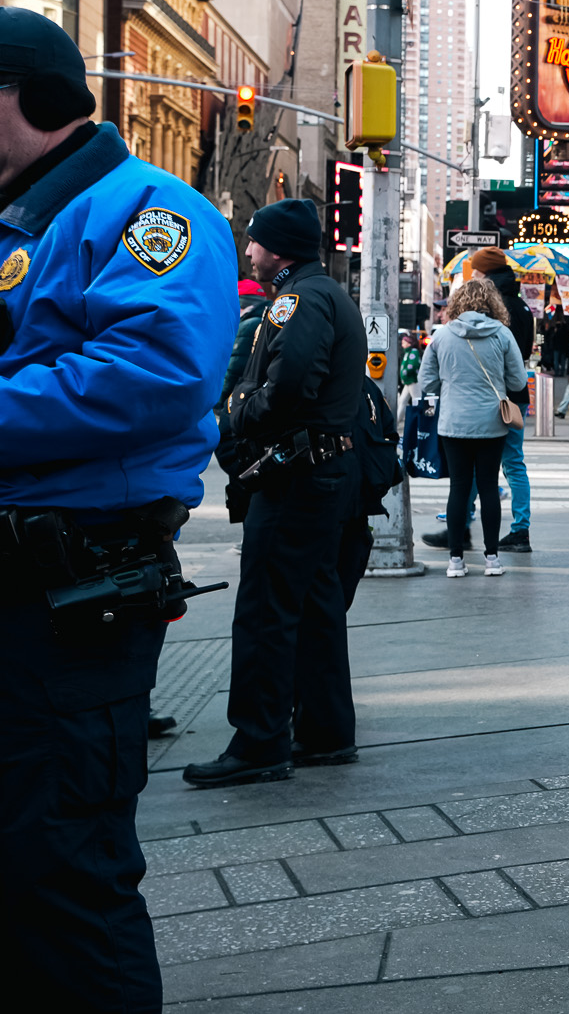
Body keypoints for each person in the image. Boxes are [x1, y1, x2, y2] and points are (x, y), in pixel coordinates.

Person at [0, 7, 238, 1009]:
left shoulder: (151, 213)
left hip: (64, 592)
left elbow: (154, 371)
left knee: (62, 871)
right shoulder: (22, 217)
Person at [189, 195, 369, 791]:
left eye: (255, 242)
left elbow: (287, 387)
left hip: (296, 477)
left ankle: (260, 741)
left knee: (267, 609)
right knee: (316, 607)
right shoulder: (323, 294)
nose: (249, 251)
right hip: (321, 477)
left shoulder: (298, 301)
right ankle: (324, 732)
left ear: (279, 248)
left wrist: (238, 411)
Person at [415, 278, 528, 577]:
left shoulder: (441, 337)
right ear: (492, 303)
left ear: (458, 303)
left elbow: (427, 382)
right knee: (489, 486)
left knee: (459, 489)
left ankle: (455, 561)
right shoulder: (502, 334)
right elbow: (518, 382)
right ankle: (492, 559)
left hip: (453, 424)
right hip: (492, 422)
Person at [444, 246, 534, 555]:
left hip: (491, 397)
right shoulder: (522, 306)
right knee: (513, 463)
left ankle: (463, 525)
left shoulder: (492, 311)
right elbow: (522, 358)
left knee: (472, 466)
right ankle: (520, 529)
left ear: (483, 273)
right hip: (515, 398)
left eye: (476, 270)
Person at [221, 277, 268, 405]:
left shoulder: (248, 325)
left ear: (240, 304)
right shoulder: (265, 320)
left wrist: (219, 401)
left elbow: (235, 369)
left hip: (238, 399)